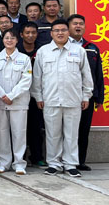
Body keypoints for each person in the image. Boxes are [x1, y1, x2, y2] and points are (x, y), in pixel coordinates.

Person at [31, 19, 94, 178]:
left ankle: (70, 164)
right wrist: (38, 96)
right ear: (51, 33)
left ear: (68, 32)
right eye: (57, 30)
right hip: (50, 99)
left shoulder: (78, 51)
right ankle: (54, 163)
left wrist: (86, 95)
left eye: (63, 30)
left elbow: (86, 75)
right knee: (52, 134)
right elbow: (37, 77)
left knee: (72, 134)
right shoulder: (43, 51)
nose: (60, 33)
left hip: (73, 100)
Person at [0, 28, 33, 176]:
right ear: (2, 40)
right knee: (1, 132)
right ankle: (3, 162)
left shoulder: (24, 59)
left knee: (19, 133)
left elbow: (26, 80)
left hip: (18, 102)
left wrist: (12, 96)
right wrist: (3, 95)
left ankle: (19, 163)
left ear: (17, 40)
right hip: (0, 101)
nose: (9, 40)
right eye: (7, 38)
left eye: (12, 38)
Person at [68, 14, 105, 171]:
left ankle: (80, 161)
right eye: (75, 24)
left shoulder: (92, 48)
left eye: (81, 24)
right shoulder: (63, 46)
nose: (78, 26)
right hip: (68, 94)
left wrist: (99, 96)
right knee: (68, 130)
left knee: (83, 129)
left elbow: (98, 73)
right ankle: (66, 160)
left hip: (87, 96)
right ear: (68, 27)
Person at [18, 21, 46, 167]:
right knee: (19, 128)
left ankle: (37, 156)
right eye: (27, 33)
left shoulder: (42, 51)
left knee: (36, 127)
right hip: (19, 94)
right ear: (21, 35)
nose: (30, 35)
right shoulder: (16, 50)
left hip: (37, 95)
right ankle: (19, 157)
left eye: (33, 33)